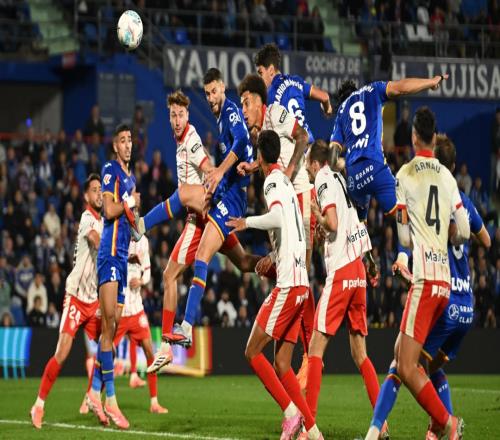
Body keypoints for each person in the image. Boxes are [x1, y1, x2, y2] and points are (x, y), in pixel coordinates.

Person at [367, 134, 491, 440]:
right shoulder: (463, 200)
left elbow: (409, 234)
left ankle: (442, 424)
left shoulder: (428, 191)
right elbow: (486, 240)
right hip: (466, 305)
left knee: (402, 364)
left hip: (441, 295)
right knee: (428, 367)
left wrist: (409, 254)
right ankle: (435, 428)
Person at [130, 90, 260, 372]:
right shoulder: (180, 142)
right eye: (173, 115)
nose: (177, 120)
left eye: (181, 115)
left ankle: (141, 226)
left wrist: (215, 181)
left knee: (170, 273)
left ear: (188, 115)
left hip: (201, 215)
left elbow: (207, 165)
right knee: (243, 262)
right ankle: (276, 265)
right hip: (210, 216)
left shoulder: (190, 139)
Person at [227, 130, 323, 440]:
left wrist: (247, 222)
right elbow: (294, 230)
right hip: (301, 283)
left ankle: (291, 415)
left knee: (252, 351)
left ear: (260, 156)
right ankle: (313, 432)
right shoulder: (286, 182)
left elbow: (279, 218)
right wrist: (273, 256)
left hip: (289, 285)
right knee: (282, 363)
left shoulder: (270, 182)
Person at [160, 69, 254, 348]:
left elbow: (242, 140)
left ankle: (187, 326)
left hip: (233, 197)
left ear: (223, 88)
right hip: (226, 195)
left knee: (201, 254)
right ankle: (278, 266)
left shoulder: (230, 112)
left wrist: (219, 172)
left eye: (214, 91)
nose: (211, 97)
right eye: (207, 93)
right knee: (244, 262)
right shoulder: (220, 116)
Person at [303, 140, 388, 439]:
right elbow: (356, 224)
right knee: (360, 353)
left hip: (341, 272)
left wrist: (317, 214)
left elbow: (334, 223)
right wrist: (371, 263)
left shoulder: (323, 179)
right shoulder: (342, 179)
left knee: (315, 348)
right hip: (358, 271)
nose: (307, 169)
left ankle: (309, 427)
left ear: (315, 163)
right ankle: (382, 424)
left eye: (307, 163)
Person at [236, 73, 316, 386]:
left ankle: (309, 355)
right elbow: (274, 155)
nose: (244, 110)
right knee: (291, 273)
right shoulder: (264, 137)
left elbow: (303, 137)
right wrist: (255, 166)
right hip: (287, 198)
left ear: (260, 101)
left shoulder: (277, 113)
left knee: (300, 274)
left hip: (298, 193)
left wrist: (291, 171)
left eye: (246, 103)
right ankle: (296, 358)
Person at [30, 173, 103, 429]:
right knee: (61, 353)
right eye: (94, 190)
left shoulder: (104, 221)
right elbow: (95, 241)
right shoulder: (87, 218)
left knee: (107, 348)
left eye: (100, 189)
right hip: (76, 297)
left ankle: (92, 396)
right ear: (86, 196)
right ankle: (38, 405)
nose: (98, 193)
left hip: (93, 300)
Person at [87, 124, 140, 430]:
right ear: (115, 147)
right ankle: (110, 399)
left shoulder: (131, 179)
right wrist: (130, 204)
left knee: (112, 328)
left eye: (130, 139)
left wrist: (136, 224)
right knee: (108, 326)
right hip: (108, 254)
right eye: (122, 140)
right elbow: (108, 210)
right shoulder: (110, 170)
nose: (128, 144)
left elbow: (128, 219)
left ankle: (95, 392)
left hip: (121, 258)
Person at [110, 236, 168, 414]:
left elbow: (147, 270)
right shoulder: (118, 236)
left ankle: (154, 403)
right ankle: (92, 395)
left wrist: (141, 281)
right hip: (119, 311)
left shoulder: (143, 241)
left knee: (151, 353)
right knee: (106, 354)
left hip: (137, 311)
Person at [254, 43, 332, 145]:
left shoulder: (267, 95)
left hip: (292, 149)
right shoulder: (296, 81)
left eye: (261, 73)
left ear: (271, 70)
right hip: (309, 145)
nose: (259, 78)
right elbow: (325, 97)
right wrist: (327, 109)